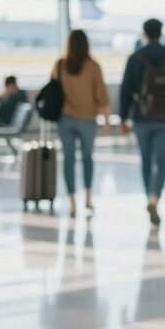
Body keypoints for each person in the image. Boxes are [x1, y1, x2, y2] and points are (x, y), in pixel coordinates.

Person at [119, 18, 165, 226]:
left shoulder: (135, 58)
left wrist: (123, 118)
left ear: (144, 34)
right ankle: (154, 197)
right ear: (161, 33)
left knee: (146, 160)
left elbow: (126, 91)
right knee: (162, 162)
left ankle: (148, 196)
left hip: (141, 118)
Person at [52, 30, 111, 217]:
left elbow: (52, 91)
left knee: (68, 159)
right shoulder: (93, 67)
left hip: (65, 118)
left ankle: (71, 202)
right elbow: (101, 96)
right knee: (87, 158)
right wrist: (107, 121)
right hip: (88, 119)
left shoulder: (60, 65)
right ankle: (88, 198)